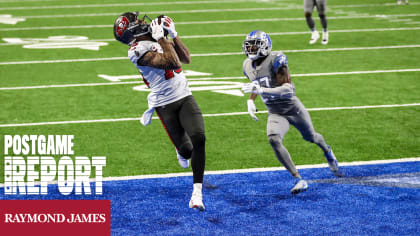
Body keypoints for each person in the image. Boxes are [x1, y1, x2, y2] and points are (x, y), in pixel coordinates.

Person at [113, 12, 206, 211]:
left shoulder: (154, 36)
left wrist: (174, 34)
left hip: (184, 94)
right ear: (131, 31)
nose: (141, 22)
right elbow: (173, 63)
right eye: (136, 22)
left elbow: (186, 58)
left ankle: (196, 193)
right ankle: (180, 149)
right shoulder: (136, 51)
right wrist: (162, 38)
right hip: (165, 104)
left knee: (199, 137)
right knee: (187, 151)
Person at [241, 30, 341, 194]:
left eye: (254, 46)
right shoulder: (247, 65)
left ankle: (327, 151)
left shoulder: (276, 59)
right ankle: (298, 179)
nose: (251, 50)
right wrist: (251, 99)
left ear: (265, 46)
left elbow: (288, 90)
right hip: (274, 112)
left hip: (292, 108)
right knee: (273, 139)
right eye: (249, 46)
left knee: (311, 137)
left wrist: (261, 91)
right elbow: (257, 83)